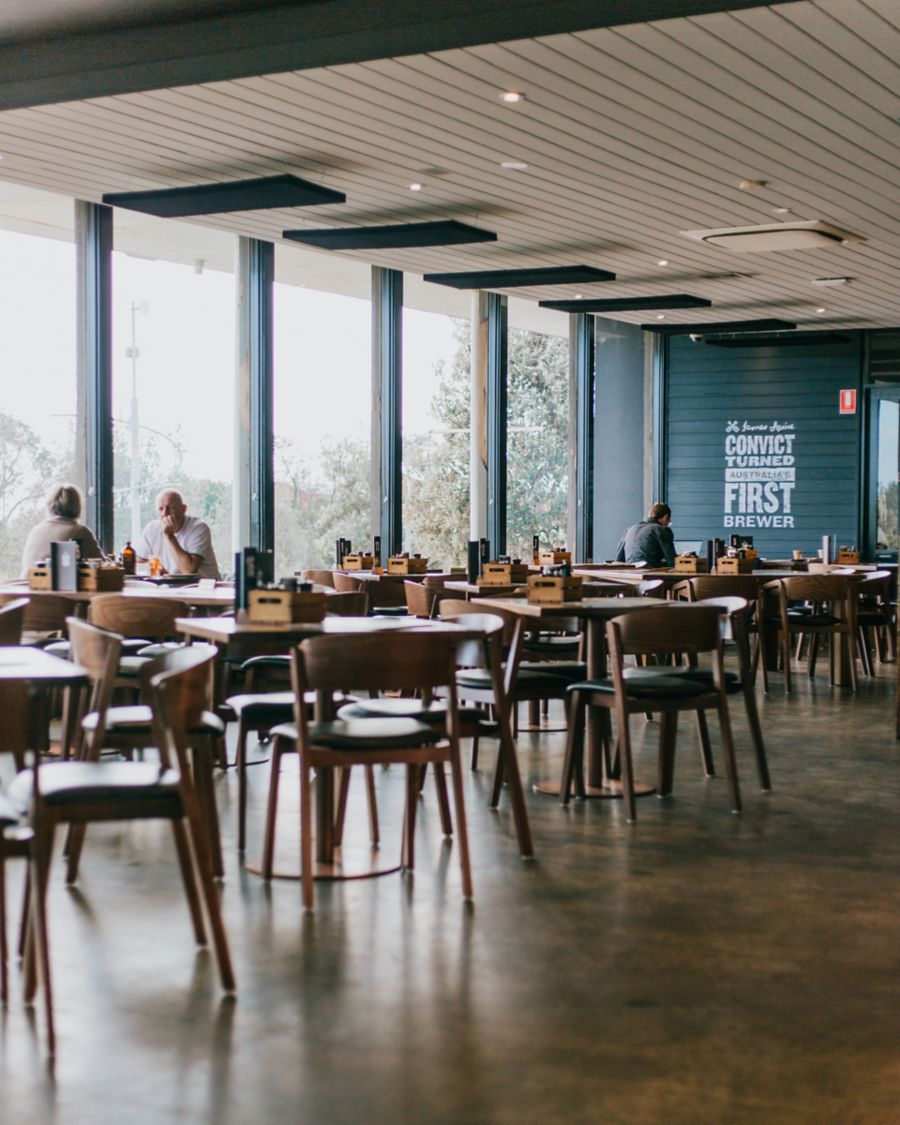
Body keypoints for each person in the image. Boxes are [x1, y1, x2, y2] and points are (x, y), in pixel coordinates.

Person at [21, 483, 104, 576]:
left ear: (50, 504)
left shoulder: (36, 530)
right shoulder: (80, 532)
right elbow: (103, 564)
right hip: (58, 584)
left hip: (28, 584)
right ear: (77, 506)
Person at [136, 488, 220, 579]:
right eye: (161, 509)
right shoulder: (152, 529)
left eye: (171, 508)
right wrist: (154, 566)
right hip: (171, 586)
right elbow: (138, 561)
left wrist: (169, 536)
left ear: (183, 509)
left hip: (204, 585)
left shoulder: (199, 527)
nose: (165, 513)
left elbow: (188, 570)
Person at [615, 502, 676, 568]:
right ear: (665, 517)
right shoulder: (662, 530)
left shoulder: (629, 530)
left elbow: (619, 560)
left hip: (630, 572)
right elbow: (671, 559)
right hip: (650, 572)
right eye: (669, 521)